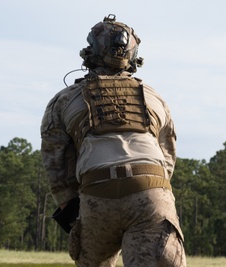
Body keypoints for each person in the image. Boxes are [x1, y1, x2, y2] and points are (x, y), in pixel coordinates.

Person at [40, 15, 186, 267]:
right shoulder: (154, 98)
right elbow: (167, 156)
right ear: (132, 56)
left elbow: (55, 161)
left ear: (90, 52)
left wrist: (69, 204)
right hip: (150, 192)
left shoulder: (64, 100)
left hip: (97, 193)